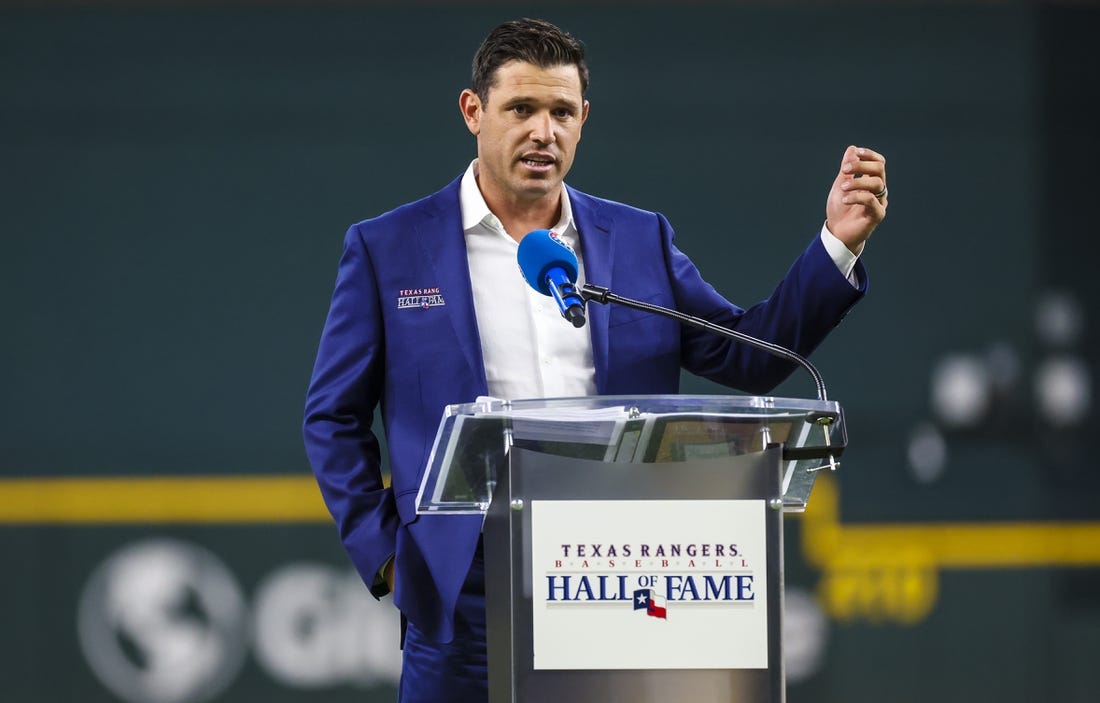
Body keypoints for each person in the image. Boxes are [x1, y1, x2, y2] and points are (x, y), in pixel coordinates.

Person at [303, 17, 887, 703]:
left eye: (560, 111)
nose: (542, 131)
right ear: (474, 112)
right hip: (462, 585)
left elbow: (746, 354)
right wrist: (392, 559)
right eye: (520, 108)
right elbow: (332, 418)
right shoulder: (388, 248)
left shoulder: (637, 239)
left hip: (620, 574)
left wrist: (837, 246)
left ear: (583, 119)